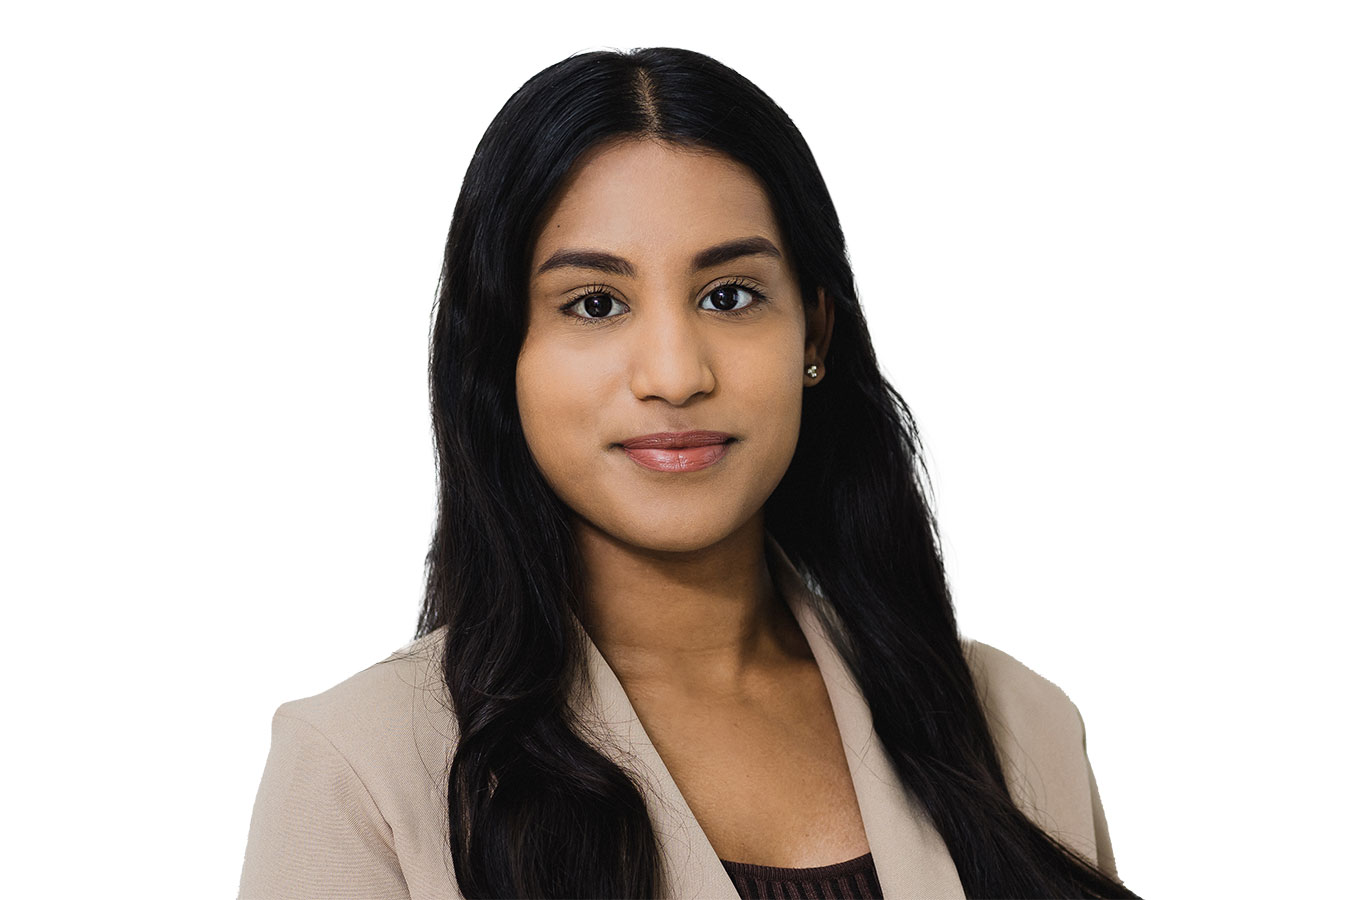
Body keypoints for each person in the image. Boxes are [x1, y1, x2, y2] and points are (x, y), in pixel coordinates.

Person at [238, 46, 1140, 899]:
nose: (675, 375)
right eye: (596, 304)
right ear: (501, 353)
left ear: (814, 333)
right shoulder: (362, 772)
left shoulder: (1021, 729)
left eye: (729, 296)